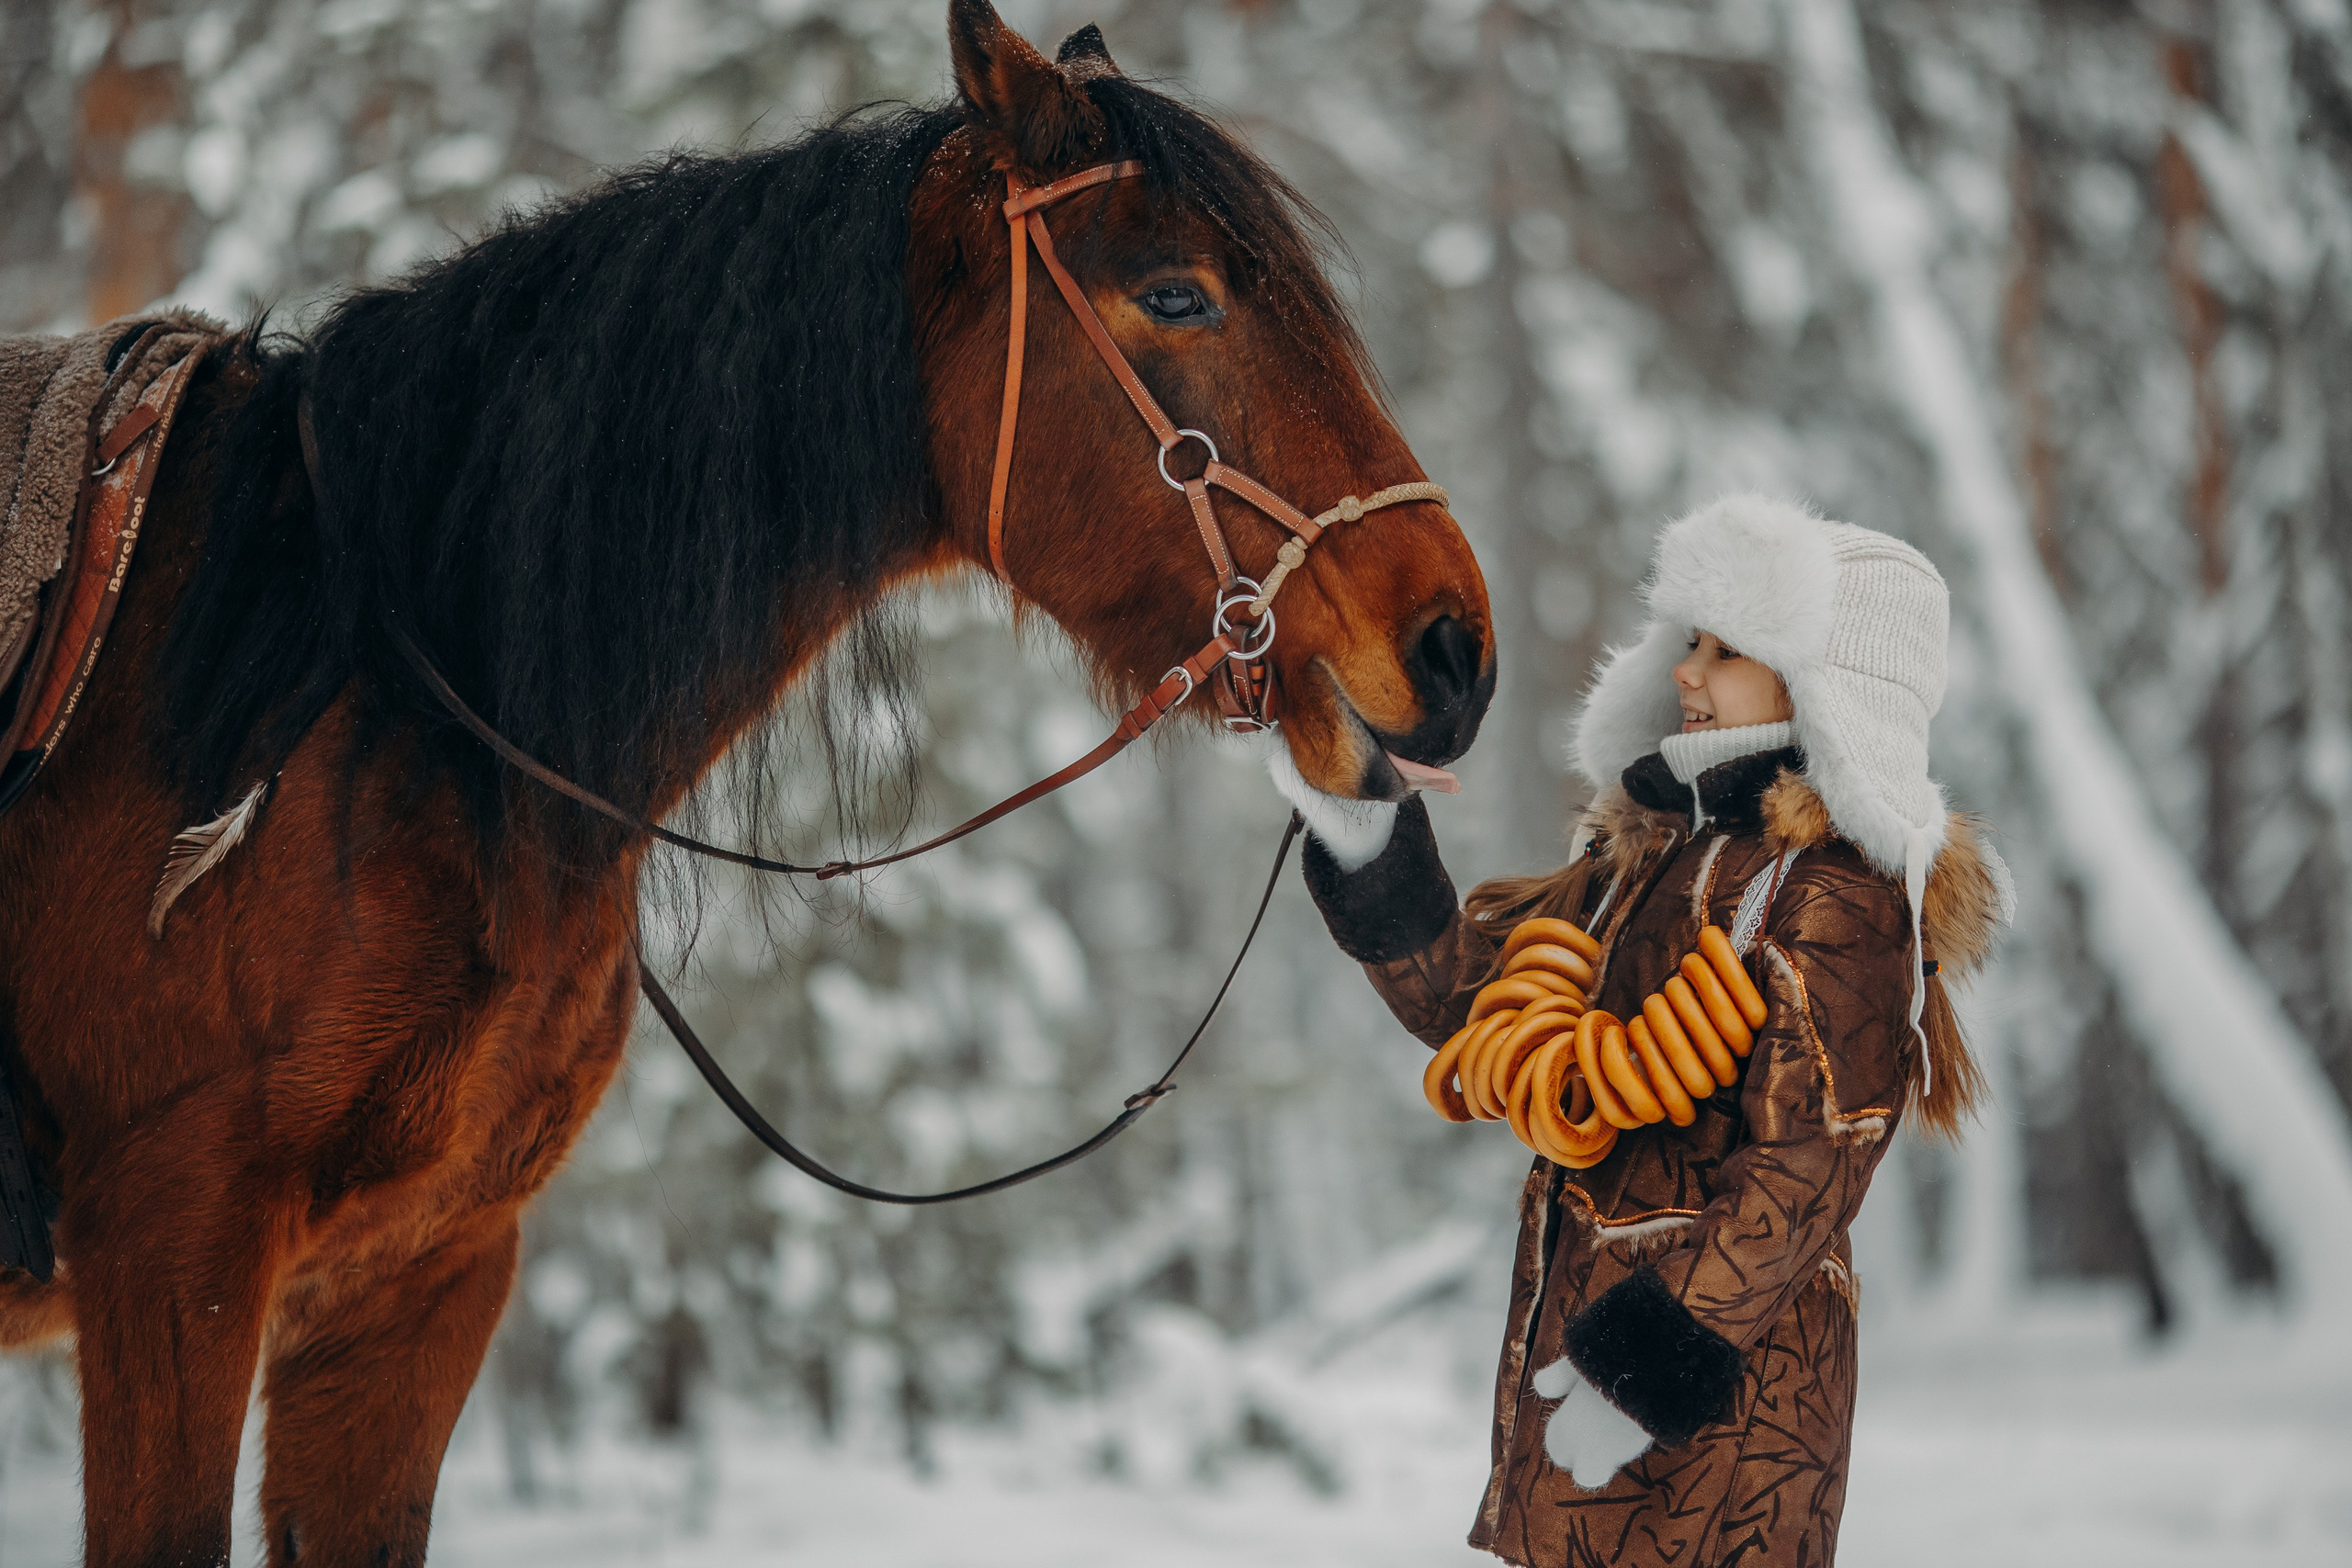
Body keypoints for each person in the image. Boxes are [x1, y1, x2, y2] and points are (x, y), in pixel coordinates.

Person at [1272, 495, 2011, 1567]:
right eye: (1688, 643)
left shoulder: (1832, 896)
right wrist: (1369, 839)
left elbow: (1810, 1162)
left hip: (1723, 1407)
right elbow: (1484, 1015)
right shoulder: (1647, 862)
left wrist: (1657, 1359)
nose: (1687, 672)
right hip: (1585, 1353)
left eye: (1726, 648)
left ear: (1822, 681)